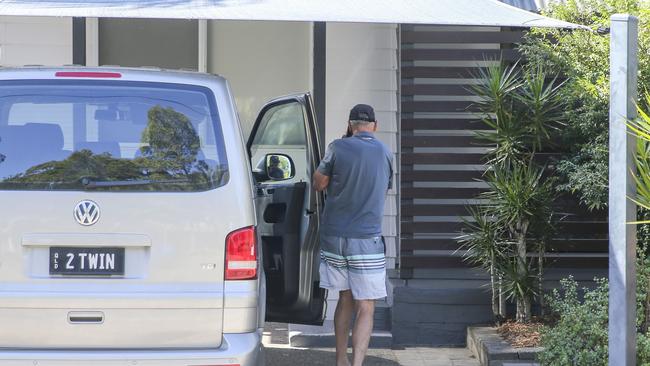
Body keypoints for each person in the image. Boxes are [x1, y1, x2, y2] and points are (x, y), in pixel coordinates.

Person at [313, 104, 393, 366]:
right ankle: (356, 364)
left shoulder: (337, 147)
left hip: (335, 237)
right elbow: (383, 188)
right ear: (375, 126)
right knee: (366, 305)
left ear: (350, 125)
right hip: (366, 239)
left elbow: (319, 183)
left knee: (344, 298)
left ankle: (340, 360)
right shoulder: (385, 153)